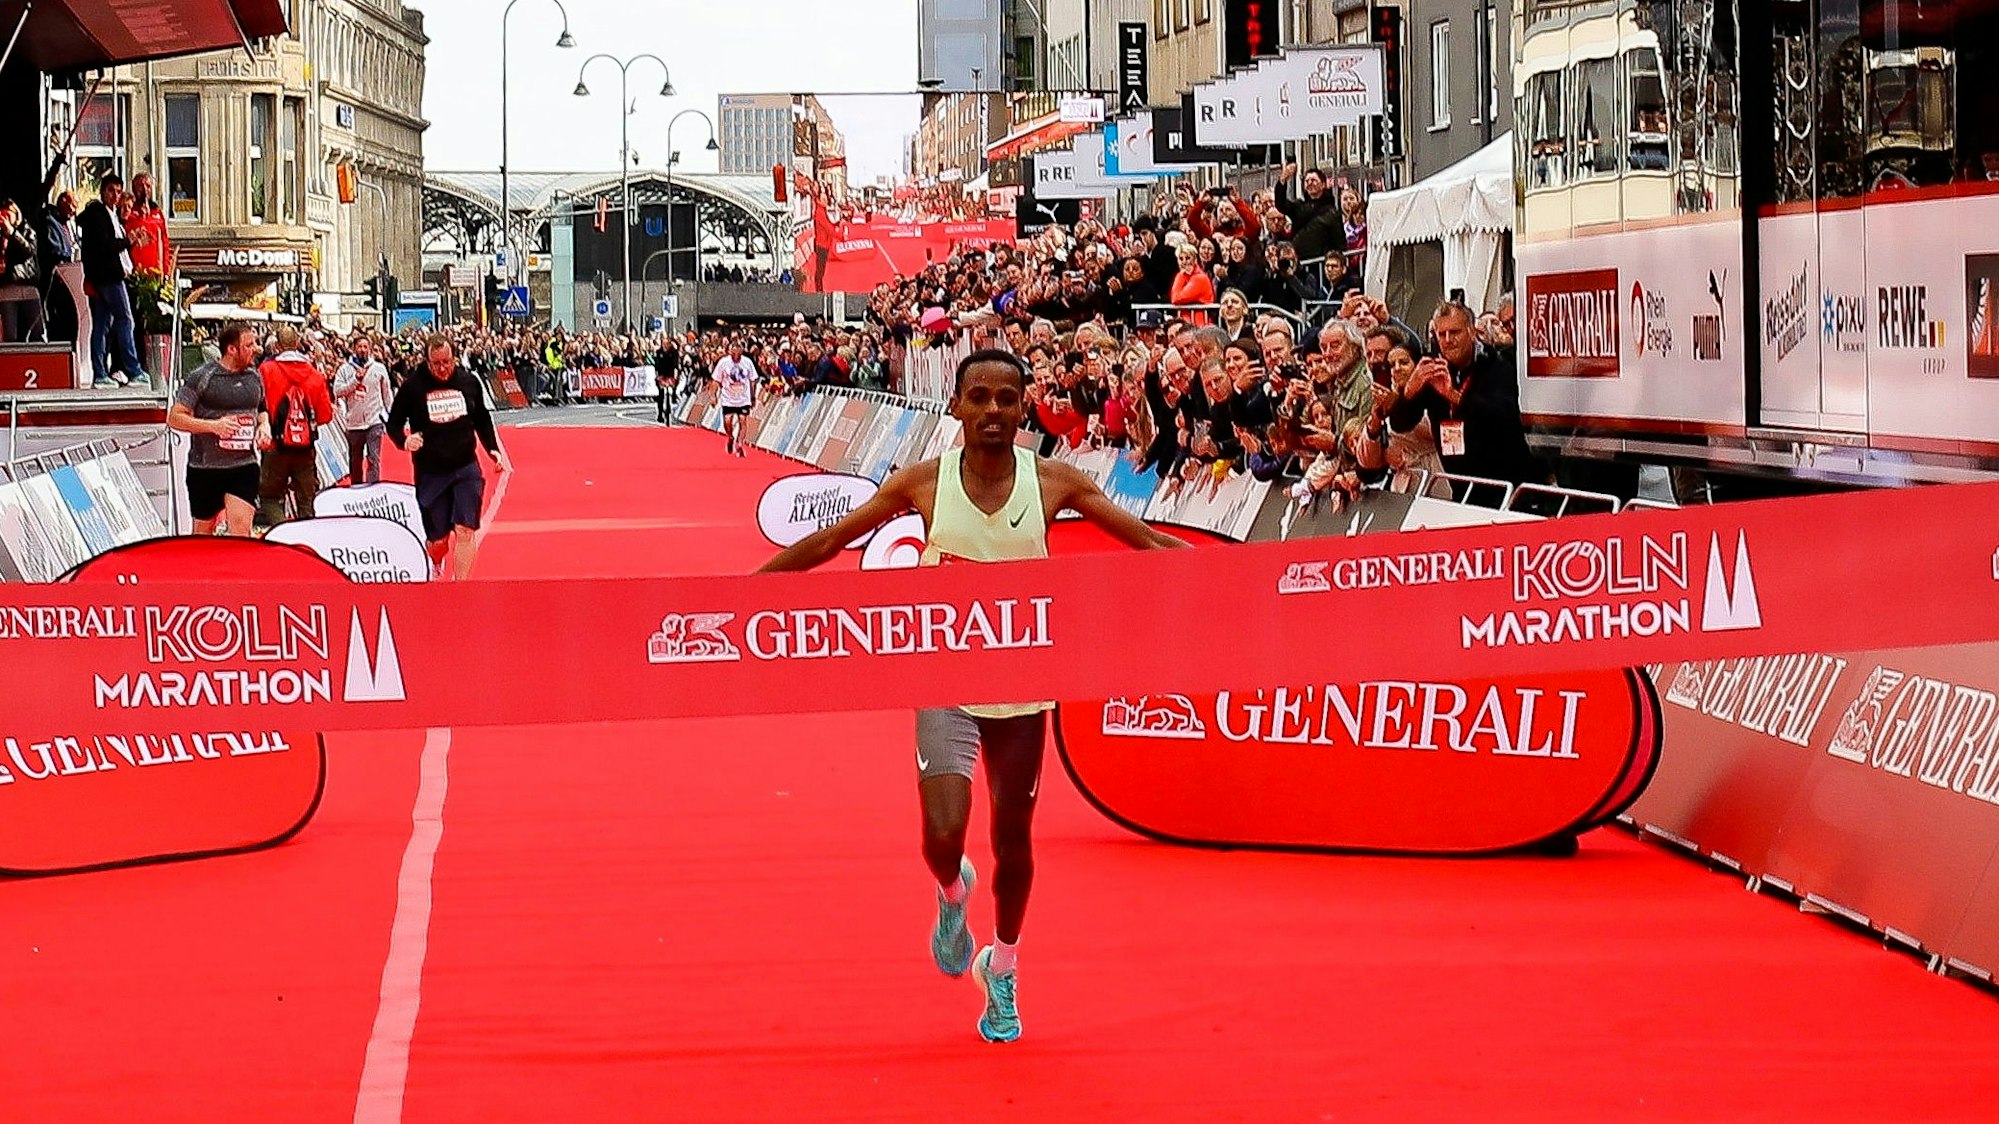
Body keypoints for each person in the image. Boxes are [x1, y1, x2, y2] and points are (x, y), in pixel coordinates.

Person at [757, 349, 1188, 1044]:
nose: (992, 411)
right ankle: (952, 896)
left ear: (1024, 409)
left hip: (1022, 692)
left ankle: (1003, 968)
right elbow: (834, 537)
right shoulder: (924, 483)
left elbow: (1143, 540)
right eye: (979, 398)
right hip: (946, 681)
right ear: (955, 407)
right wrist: (744, 592)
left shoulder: (1053, 482)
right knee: (942, 838)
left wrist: (1243, 584)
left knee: (1012, 842)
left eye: (1006, 400)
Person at [386, 335, 510, 581]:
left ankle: (460, 589)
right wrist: (404, 441)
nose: (442, 369)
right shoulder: (413, 387)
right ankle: (434, 558)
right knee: (439, 539)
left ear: (454, 358)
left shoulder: (468, 381)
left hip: (465, 466)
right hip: (431, 471)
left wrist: (493, 449)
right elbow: (393, 424)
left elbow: (482, 418)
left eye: (446, 362)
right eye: (436, 364)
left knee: (465, 529)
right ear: (427, 361)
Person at [166, 322, 268, 536]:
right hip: (205, 468)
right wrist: (214, 427)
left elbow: (261, 408)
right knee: (204, 532)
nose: (256, 348)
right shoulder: (202, 377)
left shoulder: (254, 375)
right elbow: (175, 418)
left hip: (244, 465)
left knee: (241, 530)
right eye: (249, 345)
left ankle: (239, 570)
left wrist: (264, 425)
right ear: (232, 349)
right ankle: (201, 570)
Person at [76, 173, 150, 387]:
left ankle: (100, 373)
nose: (115, 196)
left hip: (106, 277)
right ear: (102, 191)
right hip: (108, 277)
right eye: (111, 191)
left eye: (118, 192)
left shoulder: (111, 215)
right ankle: (133, 369)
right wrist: (129, 240)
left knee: (102, 325)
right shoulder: (99, 215)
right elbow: (106, 246)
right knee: (125, 320)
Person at [257, 326, 335, 526]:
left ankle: (283, 532)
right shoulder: (315, 375)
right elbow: (326, 415)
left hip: (275, 446)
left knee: (270, 497)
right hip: (305, 448)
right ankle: (305, 539)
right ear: (298, 344)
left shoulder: (266, 371)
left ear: (277, 346)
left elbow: (257, 404)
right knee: (306, 500)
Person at [334, 335, 393, 485]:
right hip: (354, 423)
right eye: (359, 346)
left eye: (365, 347)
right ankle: (357, 488)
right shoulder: (345, 370)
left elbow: (387, 393)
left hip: (374, 421)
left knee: (374, 459)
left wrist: (392, 416)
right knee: (355, 460)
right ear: (354, 348)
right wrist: (355, 381)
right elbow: (337, 391)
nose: (362, 350)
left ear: (370, 349)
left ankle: (373, 488)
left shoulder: (379, 368)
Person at [710, 338, 758, 457]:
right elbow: (716, 380)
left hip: (743, 397)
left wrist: (752, 396)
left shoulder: (747, 362)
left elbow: (753, 380)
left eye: (738, 353)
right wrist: (713, 396)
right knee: (728, 421)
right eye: (733, 353)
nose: (735, 356)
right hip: (728, 397)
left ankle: (740, 443)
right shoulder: (723, 362)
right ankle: (730, 436)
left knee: (743, 420)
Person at [125, 174, 171, 276]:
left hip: (156, 270)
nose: (145, 189)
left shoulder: (157, 212)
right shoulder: (129, 212)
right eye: (141, 186)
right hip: (137, 271)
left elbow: (165, 243)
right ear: (134, 188)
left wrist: (167, 270)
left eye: (148, 186)